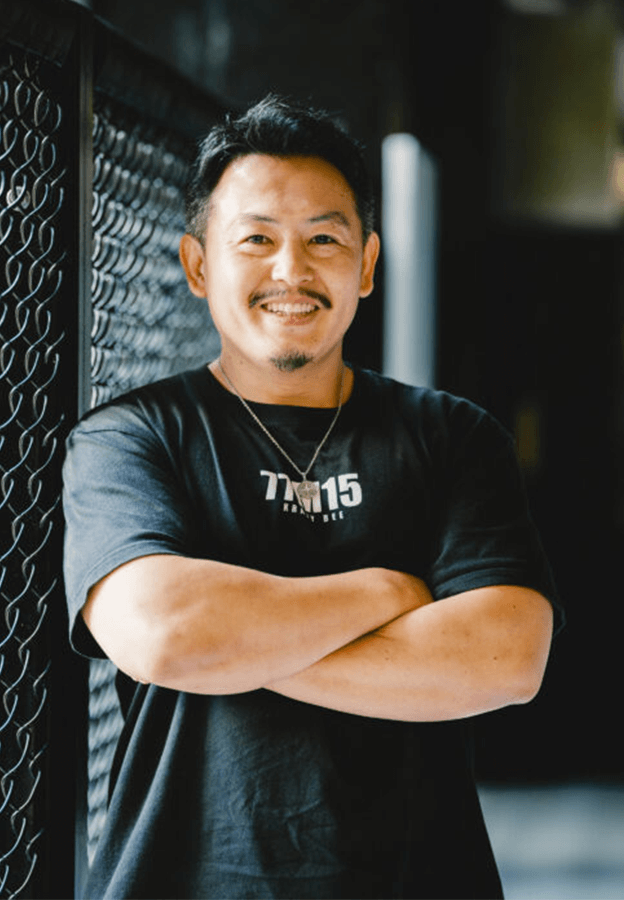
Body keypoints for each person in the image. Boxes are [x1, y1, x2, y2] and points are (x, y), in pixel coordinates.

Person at [63, 95, 562, 900]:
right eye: (256, 239)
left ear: (366, 264)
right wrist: (386, 593)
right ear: (198, 265)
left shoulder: (452, 437)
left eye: (323, 239)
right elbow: (163, 634)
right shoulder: (131, 438)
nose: (291, 271)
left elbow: (508, 658)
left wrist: (236, 648)